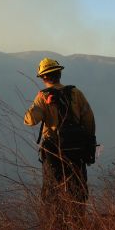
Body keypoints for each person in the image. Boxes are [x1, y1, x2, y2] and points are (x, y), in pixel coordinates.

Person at [24, 57, 96, 209]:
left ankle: (56, 227)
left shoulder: (43, 96)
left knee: (53, 190)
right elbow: (89, 119)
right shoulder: (76, 93)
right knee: (78, 186)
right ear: (59, 74)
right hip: (77, 148)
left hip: (53, 149)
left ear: (43, 77)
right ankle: (79, 223)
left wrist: (42, 104)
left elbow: (30, 120)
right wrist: (89, 143)